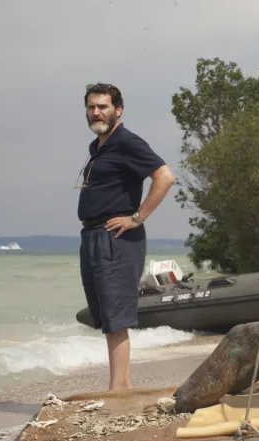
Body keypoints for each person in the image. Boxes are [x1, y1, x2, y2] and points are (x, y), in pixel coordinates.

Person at [77, 83, 176, 390]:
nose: (96, 112)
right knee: (107, 317)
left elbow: (165, 176)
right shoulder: (99, 146)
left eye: (103, 106)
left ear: (117, 110)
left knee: (116, 318)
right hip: (93, 235)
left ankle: (117, 393)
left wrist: (137, 217)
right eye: (92, 107)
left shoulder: (126, 141)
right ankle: (123, 389)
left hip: (116, 237)